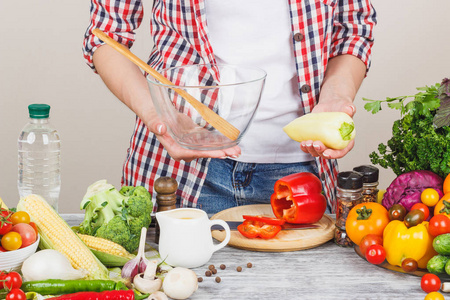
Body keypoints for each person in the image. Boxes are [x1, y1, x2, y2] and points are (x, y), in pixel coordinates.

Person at [83, 0, 376, 214]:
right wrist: (156, 113)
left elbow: (354, 27)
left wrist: (336, 96)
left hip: (304, 178)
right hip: (181, 170)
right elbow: (106, 36)